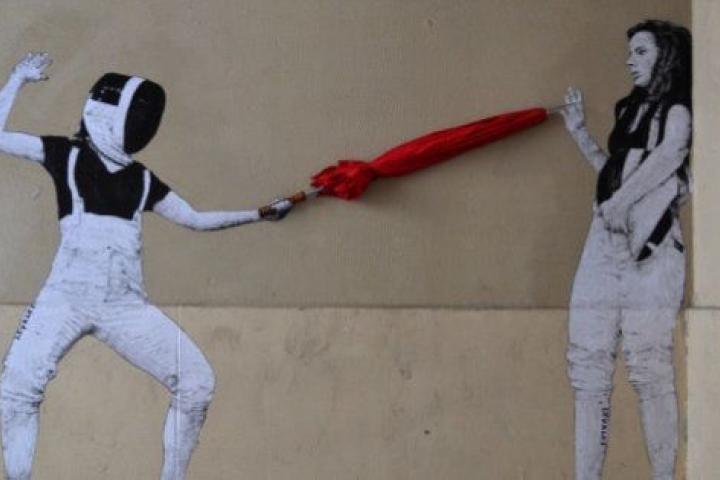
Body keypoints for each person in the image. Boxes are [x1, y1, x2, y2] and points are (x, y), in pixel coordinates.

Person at [0, 52, 293, 480]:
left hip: (125, 306)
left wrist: (258, 214)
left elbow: (195, 219)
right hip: (64, 298)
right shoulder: (64, 154)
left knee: (196, 383)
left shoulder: (142, 179)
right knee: (15, 388)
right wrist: (17, 79)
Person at [560, 20, 692, 480]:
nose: (629, 61)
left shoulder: (679, 111)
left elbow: (672, 152)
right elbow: (613, 175)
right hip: (603, 242)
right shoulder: (630, 110)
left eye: (640, 52)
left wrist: (619, 202)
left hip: (651, 248)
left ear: (665, 56)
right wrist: (581, 133)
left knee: (649, 367)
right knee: (587, 365)